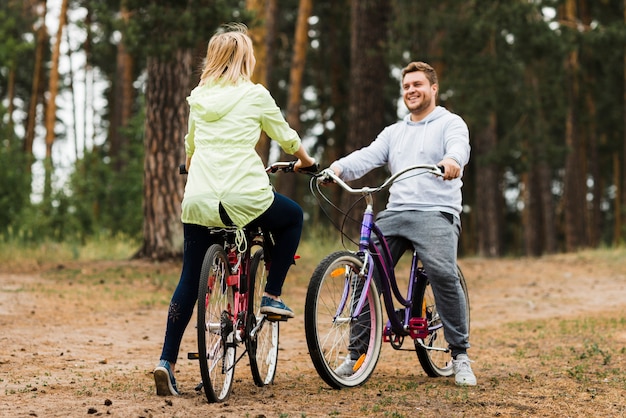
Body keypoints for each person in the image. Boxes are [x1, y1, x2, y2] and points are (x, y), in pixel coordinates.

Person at [153, 22, 317, 396]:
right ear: (244, 58)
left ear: (213, 59)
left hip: (199, 198)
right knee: (292, 217)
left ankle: (166, 361)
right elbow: (286, 137)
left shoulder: (199, 97)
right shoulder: (254, 95)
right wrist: (306, 161)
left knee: (188, 280)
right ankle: (272, 294)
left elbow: (190, 147)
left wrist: (193, 165)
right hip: (245, 195)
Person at [328, 61, 476, 386]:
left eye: (418, 85)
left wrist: (452, 162)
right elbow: (367, 156)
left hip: (436, 212)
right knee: (363, 273)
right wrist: (336, 169)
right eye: (406, 86)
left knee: (442, 272)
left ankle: (460, 355)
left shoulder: (450, 123)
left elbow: (458, 149)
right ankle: (356, 355)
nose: (411, 91)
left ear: (433, 89)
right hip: (396, 214)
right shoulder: (394, 132)